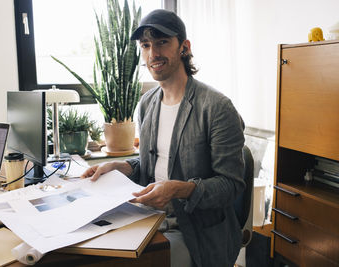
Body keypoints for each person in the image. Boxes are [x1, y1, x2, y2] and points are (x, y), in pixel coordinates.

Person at [81, 9, 245, 267]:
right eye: (145, 45)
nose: (152, 54)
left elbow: (231, 186)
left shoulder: (216, 107)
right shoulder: (147, 103)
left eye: (162, 42)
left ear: (184, 47)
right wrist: (121, 166)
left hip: (194, 233)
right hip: (149, 219)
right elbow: (155, 169)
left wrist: (179, 189)